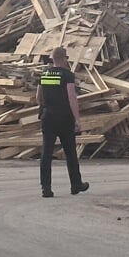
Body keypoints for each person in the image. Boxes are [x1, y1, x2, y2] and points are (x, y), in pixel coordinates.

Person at [37, 46, 90, 198]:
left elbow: (38, 97)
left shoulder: (45, 74)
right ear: (65, 58)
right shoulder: (67, 75)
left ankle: (46, 188)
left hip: (48, 116)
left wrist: (45, 106)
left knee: (46, 153)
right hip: (64, 117)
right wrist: (77, 120)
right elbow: (72, 97)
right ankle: (76, 185)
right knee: (70, 152)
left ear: (52, 59)